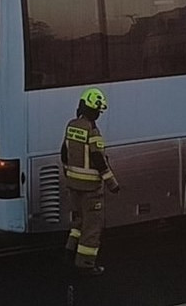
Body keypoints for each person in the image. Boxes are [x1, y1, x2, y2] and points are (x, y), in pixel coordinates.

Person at [61, 88, 120, 275]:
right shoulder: (92, 131)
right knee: (91, 227)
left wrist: (69, 174)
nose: (99, 115)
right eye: (98, 111)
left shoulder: (71, 126)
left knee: (78, 222)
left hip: (73, 186)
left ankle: (70, 251)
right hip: (90, 189)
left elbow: (64, 153)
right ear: (93, 109)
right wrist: (112, 183)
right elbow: (99, 160)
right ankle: (86, 264)